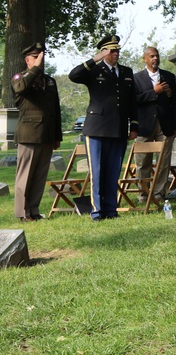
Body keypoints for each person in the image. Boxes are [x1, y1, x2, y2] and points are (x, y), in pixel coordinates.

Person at [68, 34, 139, 220]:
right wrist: (94, 60)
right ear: (103, 52)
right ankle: (97, 211)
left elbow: (132, 102)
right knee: (98, 172)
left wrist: (134, 126)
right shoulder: (93, 70)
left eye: (117, 50)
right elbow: (73, 75)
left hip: (118, 129)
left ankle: (110, 209)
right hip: (97, 128)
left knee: (113, 171)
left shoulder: (126, 72)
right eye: (112, 51)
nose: (116, 54)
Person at [11, 43, 62, 222]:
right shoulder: (21, 77)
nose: (41, 61)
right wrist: (34, 70)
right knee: (25, 175)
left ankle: (33, 209)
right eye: (37, 57)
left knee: (40, 175)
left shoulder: (49, 81)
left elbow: (55, 109)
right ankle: (22, 212)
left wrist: (57, 136)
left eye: (42, 57)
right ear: (27, 60)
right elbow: (20, 89)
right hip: (29, 133)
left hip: (46, 134)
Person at [133, 46, 176, 202]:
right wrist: (154, 92)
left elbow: (174, 102)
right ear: (145, 59)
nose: (155, 59)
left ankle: (159, 193)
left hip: (165, 125)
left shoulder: (169, 76)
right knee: (142, 161)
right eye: (151, 56)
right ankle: (143, 193)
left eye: (157, 56)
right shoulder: (136, 78)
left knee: (163, 161)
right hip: (144, 125)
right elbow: (134, 100)